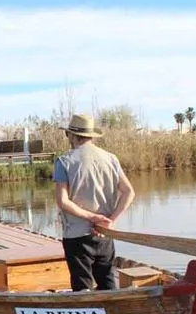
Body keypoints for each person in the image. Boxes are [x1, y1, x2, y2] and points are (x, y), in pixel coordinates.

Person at [52, 114, 135, 291]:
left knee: (82, 289)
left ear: (72, 136)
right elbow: (129, 192)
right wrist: (110, 220)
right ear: (91, 136)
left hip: (77, 236)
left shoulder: (64, 161)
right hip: (104, 234)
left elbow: (63, 201)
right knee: (108, 283)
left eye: (68, 134)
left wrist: (92, 217)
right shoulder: (111, 158)